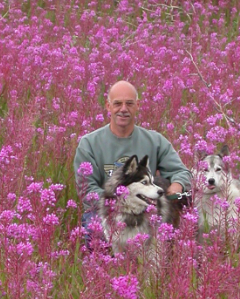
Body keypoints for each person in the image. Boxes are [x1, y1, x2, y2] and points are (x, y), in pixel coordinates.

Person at [74, 80, 192, 236]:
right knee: (95, 233)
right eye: (117, 104)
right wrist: (120, 206)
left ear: (137, 105)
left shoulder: (155, 141)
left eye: (129, 104)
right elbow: (88, 190)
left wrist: (177, 186)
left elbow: (181, 172)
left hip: (147, 210)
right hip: (105, 211)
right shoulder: (89, 144)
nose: (123, 109)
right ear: (108, 106)